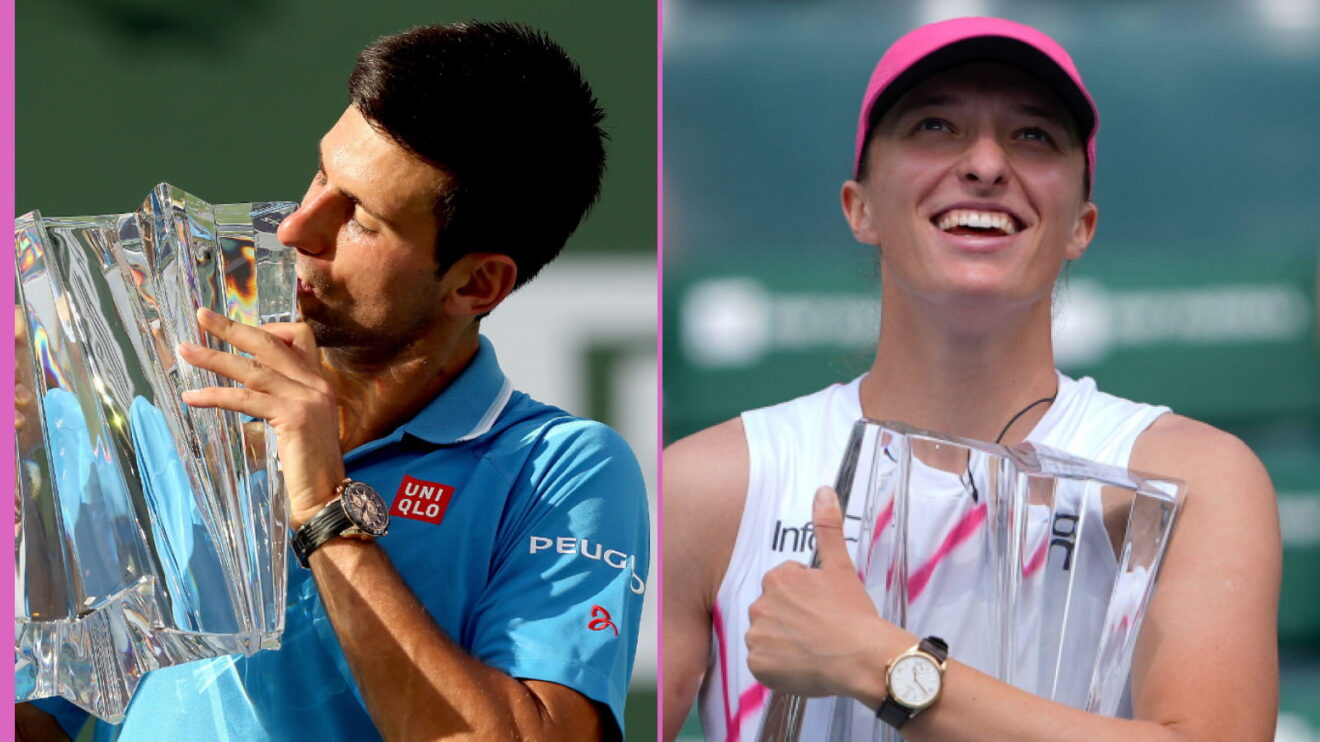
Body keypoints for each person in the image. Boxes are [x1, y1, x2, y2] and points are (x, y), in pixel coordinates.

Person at [17, 21, 649, 742]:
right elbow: (44, 716)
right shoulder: (169, 409)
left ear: (477, 284)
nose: (296, 230)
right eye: (322, 175)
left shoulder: (562, 471)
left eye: (363, 220)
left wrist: (322, 503)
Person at [663, 16, 1279, 742]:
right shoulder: (707, 489)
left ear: (1081, 225)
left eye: (1033, 136)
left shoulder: (1195, 476)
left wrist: (877, 662)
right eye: (934, 126)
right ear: (859, 207)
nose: (986, 165)